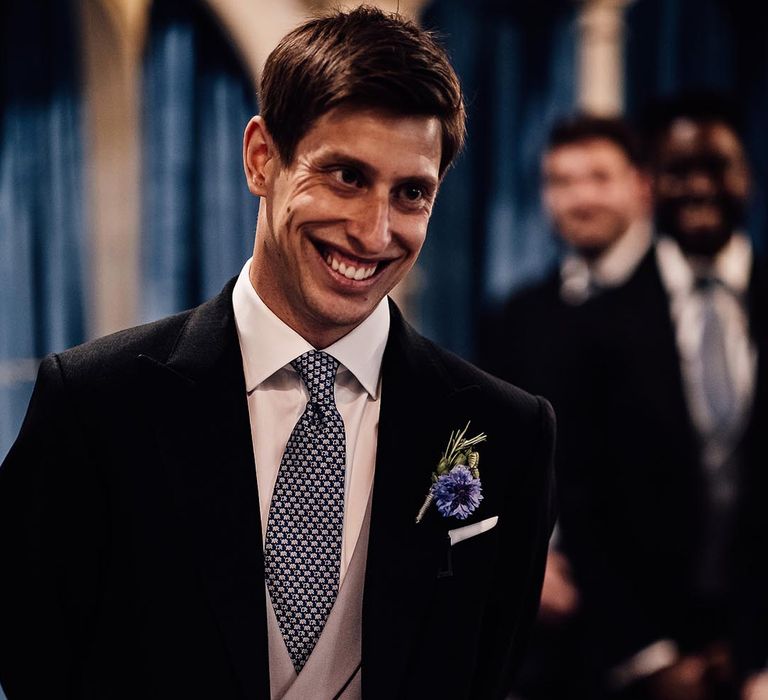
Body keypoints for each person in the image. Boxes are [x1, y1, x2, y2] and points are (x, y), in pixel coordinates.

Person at [0, 8, 556, 700]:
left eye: (411, 193)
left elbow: (490, 669)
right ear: (262, 157)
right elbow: (33, 660)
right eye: (345, 177)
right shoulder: (95, 402)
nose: (373, 231)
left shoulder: (508, 431)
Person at [556, 94, 767, 700]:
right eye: (680, 172)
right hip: (641, 659)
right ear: (650, 185)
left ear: (745, 176)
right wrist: (645, 657)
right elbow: (583, 497)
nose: (699, 187)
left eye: (716, 167)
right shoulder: (596, 321)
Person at [481, 115, 651, 700]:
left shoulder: (684, 306)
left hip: (667, 619)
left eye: (598, 178)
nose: (580, 198)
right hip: (548, 618)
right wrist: (524, 560)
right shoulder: (520, 315)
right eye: (562, 181)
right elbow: (480, 449)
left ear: (640, 185)